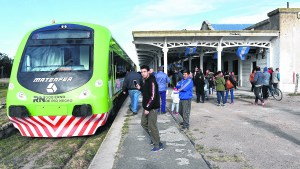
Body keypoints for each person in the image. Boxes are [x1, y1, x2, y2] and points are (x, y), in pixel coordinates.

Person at [136, 65, 164, 152]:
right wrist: (140, 88)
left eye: (144, 71)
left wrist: (147, 108)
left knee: (152, 126)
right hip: (147, 107)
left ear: (148, 72)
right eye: (142, 72)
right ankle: (154, 138)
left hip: (152, 108)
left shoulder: (152, 81)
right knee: (143, 123)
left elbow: (153, 96)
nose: (143, 73)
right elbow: (146, 92)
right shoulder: (146, 81)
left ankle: (158, 145)